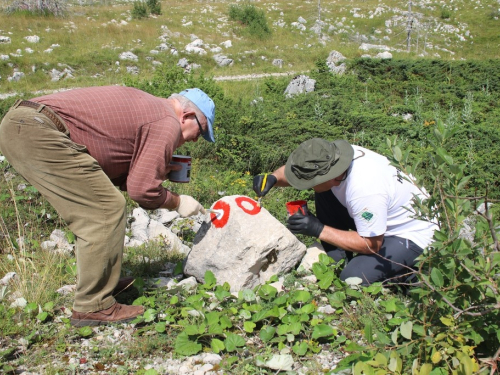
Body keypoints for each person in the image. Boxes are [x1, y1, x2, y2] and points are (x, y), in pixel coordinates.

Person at [0, 86, 215, 326]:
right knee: (105, 209)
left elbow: (112, 164)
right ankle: (93, 306)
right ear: (186, 116)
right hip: (37, 129)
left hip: (24, 123)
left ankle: (103, 283)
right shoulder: (167, 121)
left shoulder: (152, 109)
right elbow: (142, 191)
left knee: (100, 203)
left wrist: (152, 173)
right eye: (201, 131)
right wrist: (178, 202)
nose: (196, 140)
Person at [253, 138, 437, 286]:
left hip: (410, 235)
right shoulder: (333, 158)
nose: (305, 187)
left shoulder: (364, 189)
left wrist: (319, 229)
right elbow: (298, 171)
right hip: (377, 218)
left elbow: (372, 244)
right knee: (323, 193)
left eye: (308, 183)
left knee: (352, 277)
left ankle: (409, 276)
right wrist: (273, 178)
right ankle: (338, 256)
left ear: (330, 177)